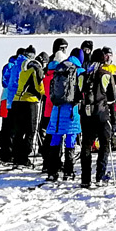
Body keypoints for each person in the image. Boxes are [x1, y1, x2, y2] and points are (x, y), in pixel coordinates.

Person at [80, 48, 116, 188]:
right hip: (102, 114)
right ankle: (100, 176)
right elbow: (112, 97)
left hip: (86, 114)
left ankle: (85, 178)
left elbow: (79, 94)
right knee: (104, 144)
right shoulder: (106, 75)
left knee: (86, 145)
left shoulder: (84, 75)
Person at [44, 48, 84, 183]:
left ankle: (52, 172)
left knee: (55, 139)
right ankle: (69, 171)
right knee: (70, 140)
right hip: (72, 112)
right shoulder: (79, 71)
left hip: (56, 110)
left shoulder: (59, 69)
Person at [9, 47, 44, 168]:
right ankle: (24, 156)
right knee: (30, 130)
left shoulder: (22, 70)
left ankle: (16, 156)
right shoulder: (34, 70)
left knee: (19, 130)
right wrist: (43, 93)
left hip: (17, 100)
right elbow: (39, 86)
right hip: (30, 102)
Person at [0, 46, 25, 163]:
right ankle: (8, 152)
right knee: (11, 126)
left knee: (6, 126)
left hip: (5, 98)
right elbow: (6, 83)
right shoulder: (15, 67)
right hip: (12, 99)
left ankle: (5, 152)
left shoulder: (9, 66)